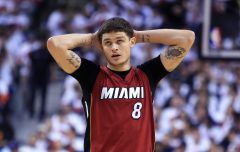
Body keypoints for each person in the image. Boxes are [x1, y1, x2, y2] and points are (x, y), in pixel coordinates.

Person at [47, 17, 195, 152]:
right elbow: (55, 44)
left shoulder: (147, 74)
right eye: (108, 43)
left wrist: (138, 36)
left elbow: (187, 38)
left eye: (119, 41)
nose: (114, 47)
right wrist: (93, 38)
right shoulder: (91, 75)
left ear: (131, 42)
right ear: (101, 46)